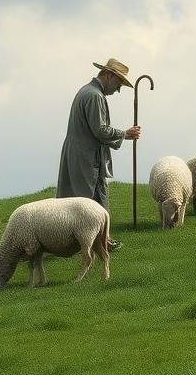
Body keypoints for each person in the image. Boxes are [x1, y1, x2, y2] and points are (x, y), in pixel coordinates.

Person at [56, 58, 141, 250]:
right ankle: (96, 241)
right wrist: (124, 134)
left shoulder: (87, 91)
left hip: (78, 152)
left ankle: (97, 239)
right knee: (89, 198)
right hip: (86, 155)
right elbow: (100, 130)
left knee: (82, 196)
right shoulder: (94, 96)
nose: (118, 90)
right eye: (118, 84)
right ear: (109, 75)